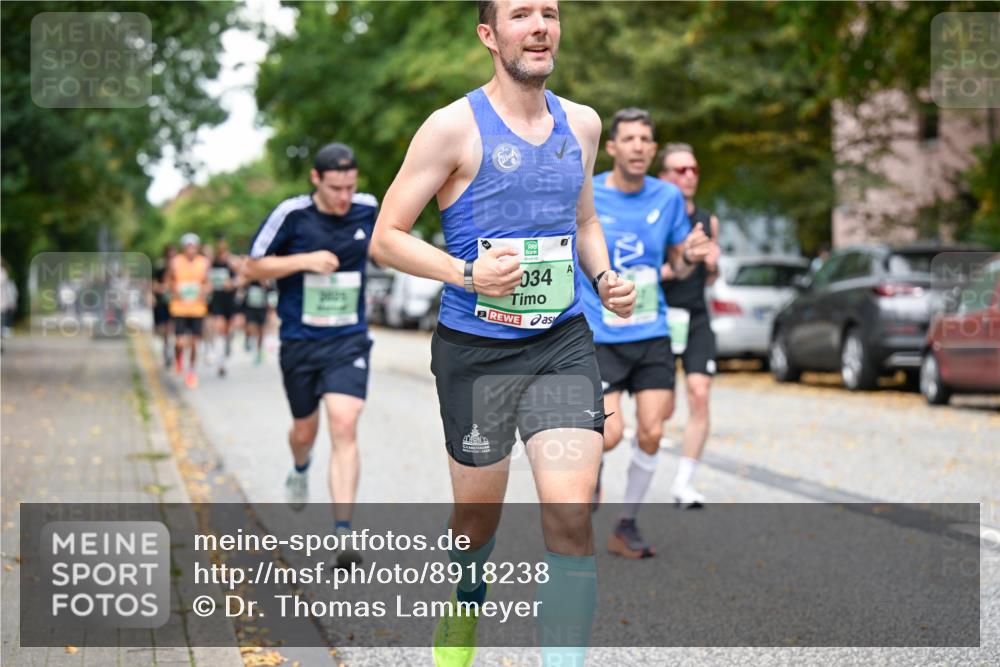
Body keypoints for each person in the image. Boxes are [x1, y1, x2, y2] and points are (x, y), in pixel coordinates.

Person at [372, 3, 708, 664]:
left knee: (569, 510)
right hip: (475, 351)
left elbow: (583, 220)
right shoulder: (452, 128)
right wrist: (466, 273)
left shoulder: (581, 123)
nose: (539, 25)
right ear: (489, 35)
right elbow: (386, 237)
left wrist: (606, 272)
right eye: (520, 13)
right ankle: (466, 596)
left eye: (549, 12)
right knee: (477, 520)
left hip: (560, 341)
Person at [243, 142, 377, 568]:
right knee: (305, 431)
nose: (344, 198)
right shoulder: (292, 214)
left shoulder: (367, 208)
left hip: (348, 339)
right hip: (300, 342)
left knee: (345, 422)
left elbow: (390, 241)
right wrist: (303, 261)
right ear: (316, 180)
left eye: (350, 187)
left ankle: (343, 532)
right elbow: (252, 266)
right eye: (336, 188)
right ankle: (300, 468)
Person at [581, 109, 704, 558]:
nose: (638, 146)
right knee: (610, 435)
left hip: (650, 330)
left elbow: (679, 262)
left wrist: (690, 255)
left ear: (653, 150)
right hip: (599, 333)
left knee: (652, 431)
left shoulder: (667, 197)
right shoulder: (587, 191)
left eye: (645, 139)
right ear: (612, 147)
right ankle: (591, 472)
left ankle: (625, 524)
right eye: (629, 138)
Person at [658, 142, 722, 508]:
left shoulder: (707, 219)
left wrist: (711, 264)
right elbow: (647, 271)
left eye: (694, 169)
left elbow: (712, 279)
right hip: (660, 315)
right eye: (680, 170)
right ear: (663, 176)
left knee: (700, 393)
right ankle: (648, 442)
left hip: (695, 316)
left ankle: (684, 483)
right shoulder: (655, 215)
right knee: (662, 410)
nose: (689, 176)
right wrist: (681, 260)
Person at [166, 234, 211, 388]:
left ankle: (191, 371)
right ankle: (178, 358)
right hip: (179, 308)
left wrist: (203, 291)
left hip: (197, 309)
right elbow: (168, 281)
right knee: (180, 342)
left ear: (197, 247)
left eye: (193, 246)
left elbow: (209, 283)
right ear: (184, 247)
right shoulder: (175, 262)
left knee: (194, 343)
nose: (190, 249)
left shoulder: (204, 263)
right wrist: (175, 290)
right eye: (188, 246)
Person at [208, 238, 239, 377]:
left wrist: (232, 284)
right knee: (218, 328)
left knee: (227, 330)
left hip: (229, 299)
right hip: (217, 299)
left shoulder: (231, 263)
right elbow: (206, 279)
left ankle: (225, 350)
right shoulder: (211, 263)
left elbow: (240, 278)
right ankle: (221, 363)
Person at [152, 245, 176, 367]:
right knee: (164, 328)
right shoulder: (160, 266)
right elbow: (154, 283)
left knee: (171, 327)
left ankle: (171, 350)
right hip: (162, 302)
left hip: (175, 303)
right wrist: (160, 289)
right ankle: (167, 349)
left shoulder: (178, 267)